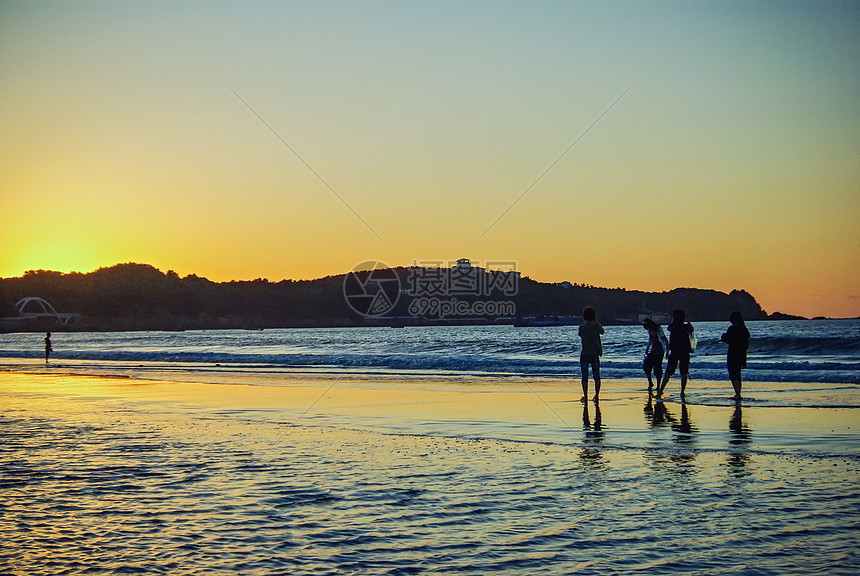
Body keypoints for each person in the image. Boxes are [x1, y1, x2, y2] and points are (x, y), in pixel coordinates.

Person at [656, 309, 694, 400]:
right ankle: (682, 391)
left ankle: (661, 389)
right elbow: (692, 333)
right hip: (685, 351)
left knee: (668, 372)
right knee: (684, 372)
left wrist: (668, 352)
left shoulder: (672, 327)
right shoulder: (687, 327)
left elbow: (670, 331)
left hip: (675, 351)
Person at [721, 311, 751, 401]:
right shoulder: (744, 328)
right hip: (742, 353)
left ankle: (737, 394)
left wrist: (723, 337)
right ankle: (738, 393)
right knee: (738, 373)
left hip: (733, 352)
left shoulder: (732, 328)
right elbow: (747, 340)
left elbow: (726, 339)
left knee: (733, 373)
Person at [578, 306, 604, 402]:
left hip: (585, 353)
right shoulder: (596, 326)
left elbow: (580, 334)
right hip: (595, 352)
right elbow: (602, 331)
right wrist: (596, 322)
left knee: (584, 377)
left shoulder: (582, 327)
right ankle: (597, 395)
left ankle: (585, 395)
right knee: (596, 376)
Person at [642, 318, 668, 394]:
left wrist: (667, 351)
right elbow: (650, 341)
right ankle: (650, 383)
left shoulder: (658, 329)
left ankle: (658, 385)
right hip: (653, 351)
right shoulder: (650, 330)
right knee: (646, 366)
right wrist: (647, 349)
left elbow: (665, 340)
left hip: (660, 351)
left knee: (657, 368)